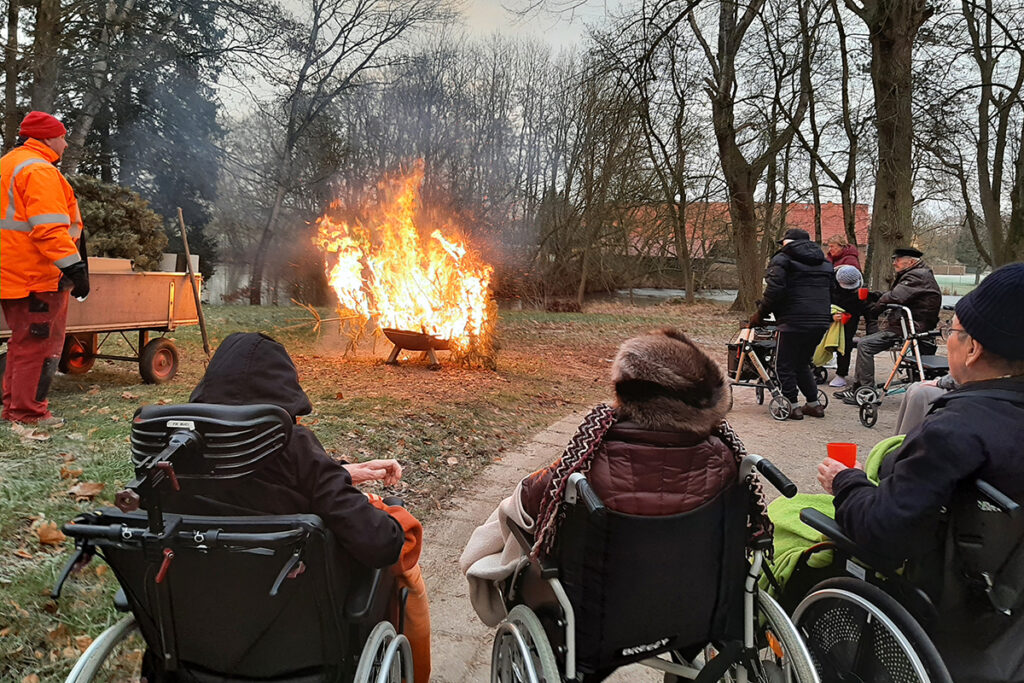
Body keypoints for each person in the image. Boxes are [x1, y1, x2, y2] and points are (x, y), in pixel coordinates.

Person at [461, 329, 770, 636]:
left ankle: (476, 566)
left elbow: (532, 502)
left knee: (517, 509)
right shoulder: (727, 459)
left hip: (599, 621)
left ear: (626, 391)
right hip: (698, 606)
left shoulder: (586, 463)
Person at [180, 332, 431, 681]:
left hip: (196, 634)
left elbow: (251, 489)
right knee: (397, 540)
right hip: (291, 640)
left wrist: (342, 472)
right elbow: (377, 543)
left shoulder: (174, 452)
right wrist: (389, 512)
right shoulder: (293, 448)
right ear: (283, 390)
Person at [817, 262, 1024, 682]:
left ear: (974, 347)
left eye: (952, 329)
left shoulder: (957, 429)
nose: (947, 339)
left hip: (950, 606)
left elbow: (882, 531)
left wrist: (845, 482)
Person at [1, 111, 89, 427]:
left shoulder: (9, 164)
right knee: (39, 347)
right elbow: (49, 229)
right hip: (38, 277)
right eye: (63, 137)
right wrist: (74, 268)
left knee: (22, 344)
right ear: (48, 138)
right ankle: (29, 413)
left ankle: (15, 409)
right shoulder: (39, 171)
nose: (65, 144)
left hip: (13, 275)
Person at [834, 247, 941, 405]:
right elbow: (898, 294)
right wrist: (875, 294)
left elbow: (896, 296)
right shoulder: (917, 273)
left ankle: (864, 389)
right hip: (909, 324)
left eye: (897, 260)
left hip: (911, 327)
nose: (894, 263)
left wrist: (875, 309)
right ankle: (859, 387)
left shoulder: (917, 276)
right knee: (866, 342)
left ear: (910, 261)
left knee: (865, 344)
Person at [749, 228, 832, 419]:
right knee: (802, 362)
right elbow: (831, 292)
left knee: (784, 364)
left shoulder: (782, 260)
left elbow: (774, 291)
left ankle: (791, 405)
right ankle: (814, 404)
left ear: (787, 242)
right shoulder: (825, 263)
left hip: (793, 320)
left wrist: (760, 314)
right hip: (820, 320)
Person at [827, 264, 865, 388]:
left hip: (851, 316)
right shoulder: (829, 283)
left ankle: (841, 374)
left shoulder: (858, 283)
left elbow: (862, 307)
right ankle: (816, 367)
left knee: (845, 343)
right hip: (831, 311)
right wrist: (830, 315)